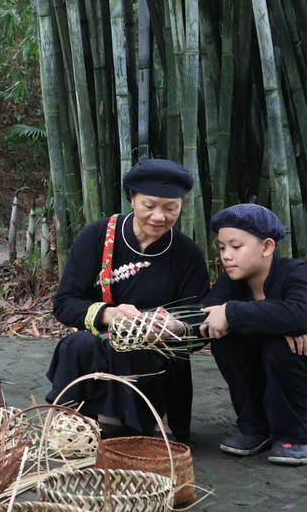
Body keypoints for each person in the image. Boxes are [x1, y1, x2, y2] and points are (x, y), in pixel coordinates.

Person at [46, 158, 209, 440]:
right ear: (131, 199)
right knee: (77, 344)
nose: (160, 216)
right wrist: (109, 314)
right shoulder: (97, 236)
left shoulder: (187, 254)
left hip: (156, 357)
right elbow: (65, 303)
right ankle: (74, 425)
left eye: (171, 208)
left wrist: (175, 327)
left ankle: (152, 424)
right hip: (100, 346)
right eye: (149, 206)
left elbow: (201, 318)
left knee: (141, 351)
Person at [199, 204, 307, 465]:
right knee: (225, 338)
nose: (226, 256)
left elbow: (300, 316)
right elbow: (207, 314)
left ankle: (296, 436)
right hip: (267, 373)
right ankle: (254, 427)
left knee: (281, 341)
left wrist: (232, 313)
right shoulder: (231, 281)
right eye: (222, 247)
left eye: (236, 247)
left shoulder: (297, 273)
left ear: (267, 247)